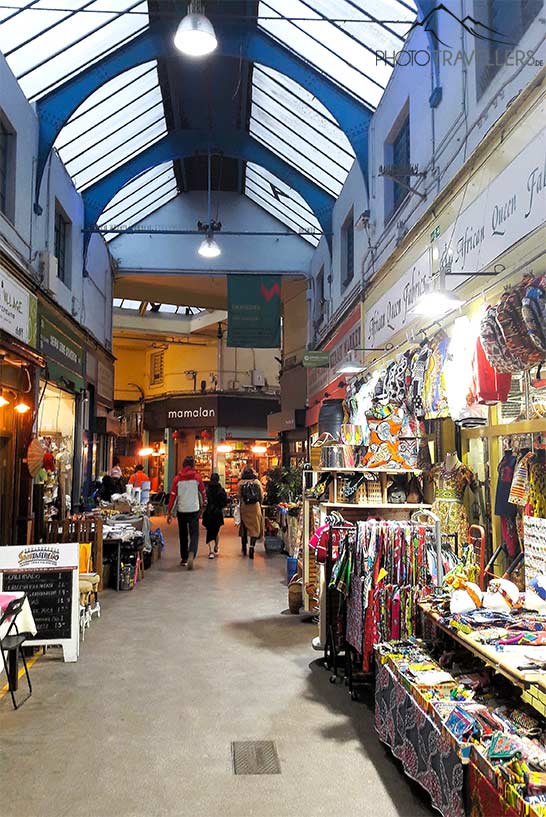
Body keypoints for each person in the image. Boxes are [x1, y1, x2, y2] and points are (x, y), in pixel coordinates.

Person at [167, 456, 206, 570]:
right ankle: (192, 553)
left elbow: (172, 496)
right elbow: (203, 492)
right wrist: (204, 503)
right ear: (193, 465)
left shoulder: (177, 479)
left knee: (183, 534)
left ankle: (184, 558)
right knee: (194, 534)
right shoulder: (197, 478)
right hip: (194, 509)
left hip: (182, 510)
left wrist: (169, 512)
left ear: (183, 466)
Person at [238, 466, 263, 560]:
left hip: (244, 507)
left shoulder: (240, 483)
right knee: (255, 527)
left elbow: (239, 496)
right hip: (255, 507)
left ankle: (244, 546)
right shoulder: (256, 482)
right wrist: (259, 503)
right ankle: (252, 547)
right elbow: (261, 495)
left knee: (244, 526)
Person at [202, 473, 228, 559]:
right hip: (217, 513)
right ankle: (216, 546)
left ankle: (211, 551)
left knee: (209, 532)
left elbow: (204, 501)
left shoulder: (207, 490)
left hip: (209, 512)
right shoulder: (221, 490)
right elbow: (225, 502)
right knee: (216, 531)